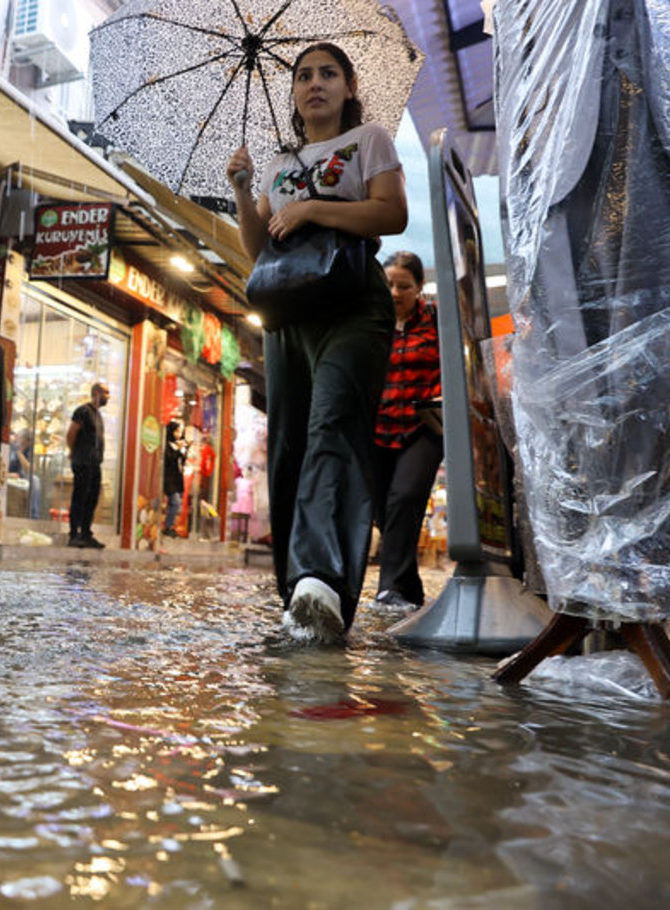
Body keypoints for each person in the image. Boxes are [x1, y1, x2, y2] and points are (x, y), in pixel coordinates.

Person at [227, 42, 407, 643]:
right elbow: (258, 251)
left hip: (354, 307)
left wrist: (313, 208)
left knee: (332, 429)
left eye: (328, 73)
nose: (315, 84)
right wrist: (244, 188)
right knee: (288, 449)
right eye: (304, 76)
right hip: (289, 317)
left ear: (349, 85)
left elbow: (391, 214)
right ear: (295, 93)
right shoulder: (280, 162)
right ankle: (297, 599)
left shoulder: (370, 141)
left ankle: (320, 580)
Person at [371, 252, 443, 609]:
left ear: (419, 288)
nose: (395, 292)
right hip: (378, 428)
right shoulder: (369, 321)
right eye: (389, 284)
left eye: (404, 286)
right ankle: (409, 589)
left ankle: (390, 590)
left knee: (405, 497)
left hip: (423, 428)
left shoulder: (437, 321)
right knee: (383, 510)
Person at [66, 381, 110, 548]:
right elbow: (71, 433)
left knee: (92, 498)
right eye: (106, 393)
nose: (108, 397)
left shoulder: (97, 415)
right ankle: (74, 534)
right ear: (96, 393)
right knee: (80, 497)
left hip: (95, 463)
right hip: (83, 462)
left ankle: (86, 533)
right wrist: (73, 452)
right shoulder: (83, 411)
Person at [162, 420, 188, 537]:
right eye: (177, 431)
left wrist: (184, 450)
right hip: (169, 478)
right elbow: (169, 459)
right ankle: (168, 526)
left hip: (177, 478)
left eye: (180, 431)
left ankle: (169, 526)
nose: (178, 434)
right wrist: (178, 449)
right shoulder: (167, 444)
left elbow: (181, 461)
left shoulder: (177, 444)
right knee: (175, 502)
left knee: (174, 503)